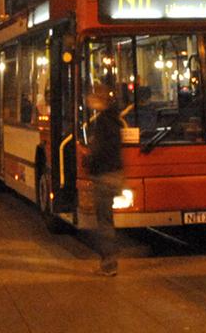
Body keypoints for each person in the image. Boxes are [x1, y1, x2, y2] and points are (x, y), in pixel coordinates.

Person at [83, 84, 125, 276]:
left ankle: (109, 263)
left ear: (99, 100)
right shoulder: (116, 120)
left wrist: (88, 159)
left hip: (105, 176)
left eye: (92, 98)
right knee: (107, 219)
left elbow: (100, 151)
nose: (89, 101)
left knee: (104, 221)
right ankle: (110, 260)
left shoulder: (102, 122)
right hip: (115, 174)